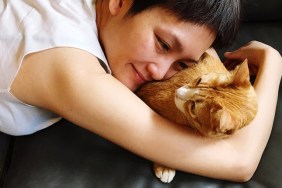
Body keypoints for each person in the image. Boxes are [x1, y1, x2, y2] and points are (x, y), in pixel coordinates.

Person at [0, 0, 281, 183]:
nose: (159, 73)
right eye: (163, 44)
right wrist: (273, 64)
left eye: (181, 64)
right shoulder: (64, 61)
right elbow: (238, 160)